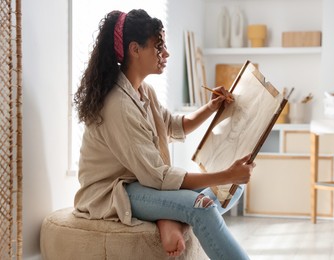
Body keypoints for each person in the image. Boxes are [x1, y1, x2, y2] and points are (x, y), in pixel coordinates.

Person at [73, 9, 255, 260]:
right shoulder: (119, 105)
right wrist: (226, 173)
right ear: (134, 49)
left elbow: (173, 125)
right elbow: (157, 177)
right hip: (115, 190)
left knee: (232, 188)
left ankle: (170, 221)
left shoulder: (143, 90)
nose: (166, 54)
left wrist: (211, 107)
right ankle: (170, 218)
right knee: (203, 206)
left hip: (140, 181)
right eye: (158, 48)